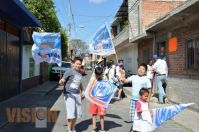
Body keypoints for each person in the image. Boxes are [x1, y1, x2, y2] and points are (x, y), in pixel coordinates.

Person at [121, 63, 151, 131]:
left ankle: (138, 129)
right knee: (133, 117)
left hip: (142, 102)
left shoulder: (146, 79)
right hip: (133, 100)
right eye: (140, 68)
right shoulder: (133, 77)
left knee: (141, 117)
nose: (141, 70)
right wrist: (122, 74)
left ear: (145, 71)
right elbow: (125, 81)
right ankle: (135, 128)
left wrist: (148, 100)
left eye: (143, 69)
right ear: (138, 69)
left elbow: (149, 90)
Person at [59, 57, 85, 132]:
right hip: (69, 94)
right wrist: (61, 81)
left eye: (80, 64)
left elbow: (79, 83)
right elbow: (63, 80)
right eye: (77, 64)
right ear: (73, 64)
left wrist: (82, 91)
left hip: (77, 94)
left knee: (76, 113)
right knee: (71, 113)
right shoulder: (69, 71)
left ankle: (73, 128)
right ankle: (69, 130)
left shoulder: (80, 72)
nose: (78, 65)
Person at [89, 65, 106, 132]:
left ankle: (102, 129)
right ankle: (94, 128)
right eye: (97, 75)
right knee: (94, 114)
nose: (98, 76)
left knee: (101, 114)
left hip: (101, 100)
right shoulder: (93, 79)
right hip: (93, 100)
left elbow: (106, 89)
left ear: (102, 74)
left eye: (99, 75)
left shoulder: (104, 80)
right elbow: (89, 89)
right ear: (95, 74)